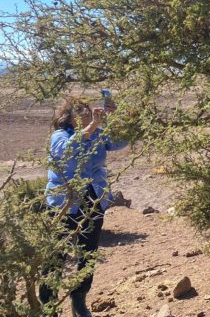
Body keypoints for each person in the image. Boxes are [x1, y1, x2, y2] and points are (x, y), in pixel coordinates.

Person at [40, 94, 127, 317]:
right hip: (63, 203)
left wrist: (116, 117)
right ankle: (48, 304)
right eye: (79, 111)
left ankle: (79, 300)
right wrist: (91, 127)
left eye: (87, 110)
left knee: (88, 252)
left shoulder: (97, 132)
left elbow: (119, 141)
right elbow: (67, 151)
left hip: (93, 198)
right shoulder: (59, 135)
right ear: (68, 117)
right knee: (56, 254)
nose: (86, 113)